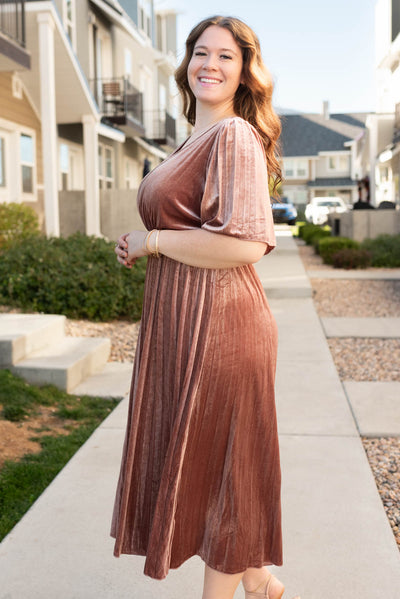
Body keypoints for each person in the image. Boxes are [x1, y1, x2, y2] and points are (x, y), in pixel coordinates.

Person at [112, 15, 300, 599]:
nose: (209, 64)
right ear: (186, 63)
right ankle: (260, 580)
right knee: (216, 458)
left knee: (222, 464)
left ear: (244, 72)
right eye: (200, 52)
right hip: (183, 318)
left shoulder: (234, 136)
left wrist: (154, 241)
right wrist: (144, 243)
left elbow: (246, 242)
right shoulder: (193, 139)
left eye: (225, 56)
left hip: (221, 324)